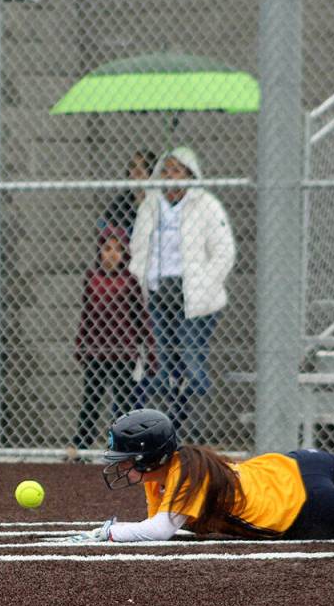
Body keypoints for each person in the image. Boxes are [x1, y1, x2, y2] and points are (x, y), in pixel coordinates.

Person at [64, 408, 334, 543]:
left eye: (128, 459)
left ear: (151, 457)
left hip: (302, 508)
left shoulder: (185, 472)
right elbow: (164, 523)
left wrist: (109, 532)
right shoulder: (177, 466)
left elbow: (159, 531)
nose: (122, 466)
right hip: (295, 464)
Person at [128, 146, 235, 438]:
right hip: (157, 291)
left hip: (195, 296)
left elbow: (224, 252)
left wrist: (204, 284)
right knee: (159, 364)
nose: (169, 176)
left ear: (190, 174)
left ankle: (196, 434)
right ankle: (164, 432)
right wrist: (138, 284)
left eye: (176, 170)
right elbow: (137, 248)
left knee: (191, 362)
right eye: (165, 170)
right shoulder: (150, 205)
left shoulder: (206, 205)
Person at [70, 226, 154, 453]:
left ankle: (124, 445)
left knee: (124, 401)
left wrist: (151, 351)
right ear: (99, 251)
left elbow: (141, 318)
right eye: (107, 248)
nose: (112, 254)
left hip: (123, 351)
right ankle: (83, 445)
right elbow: (86, 314)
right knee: (91, 399)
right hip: (96, 351)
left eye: (118, 249)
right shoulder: (92, 278)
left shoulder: (130, 281)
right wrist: (81, 344)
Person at [97, 149, 157, 237]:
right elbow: (103, 227)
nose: (136, 171)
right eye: (133, 166)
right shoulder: (121, 203)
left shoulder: (159, 202)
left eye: (144, 166)